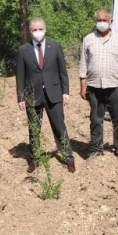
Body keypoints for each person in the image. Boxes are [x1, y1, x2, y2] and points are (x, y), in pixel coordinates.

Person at [16, 17, 75, 174]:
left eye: (40, 29)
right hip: (32, 94)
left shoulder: (54, 47)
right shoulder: (23, 50)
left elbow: (63, 71)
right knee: (34, 128)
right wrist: (20, 97)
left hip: (54, 93)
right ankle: (34, 158)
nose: (37, 32)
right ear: (30, 31)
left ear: (45, 29)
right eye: (34, 30)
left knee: (59, 126)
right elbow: (20, 75)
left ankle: (68, 158)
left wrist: (65, 92)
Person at [79, 9, 118, 165]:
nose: (102, 22)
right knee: (96, 118)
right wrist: (82, 84)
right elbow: (83, 63)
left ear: (111, 22)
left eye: (105, 20)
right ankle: (96, 148)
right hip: (95, 86)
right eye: (99, 20)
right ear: (95, 21)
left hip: (115, 85)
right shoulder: (88, 39)